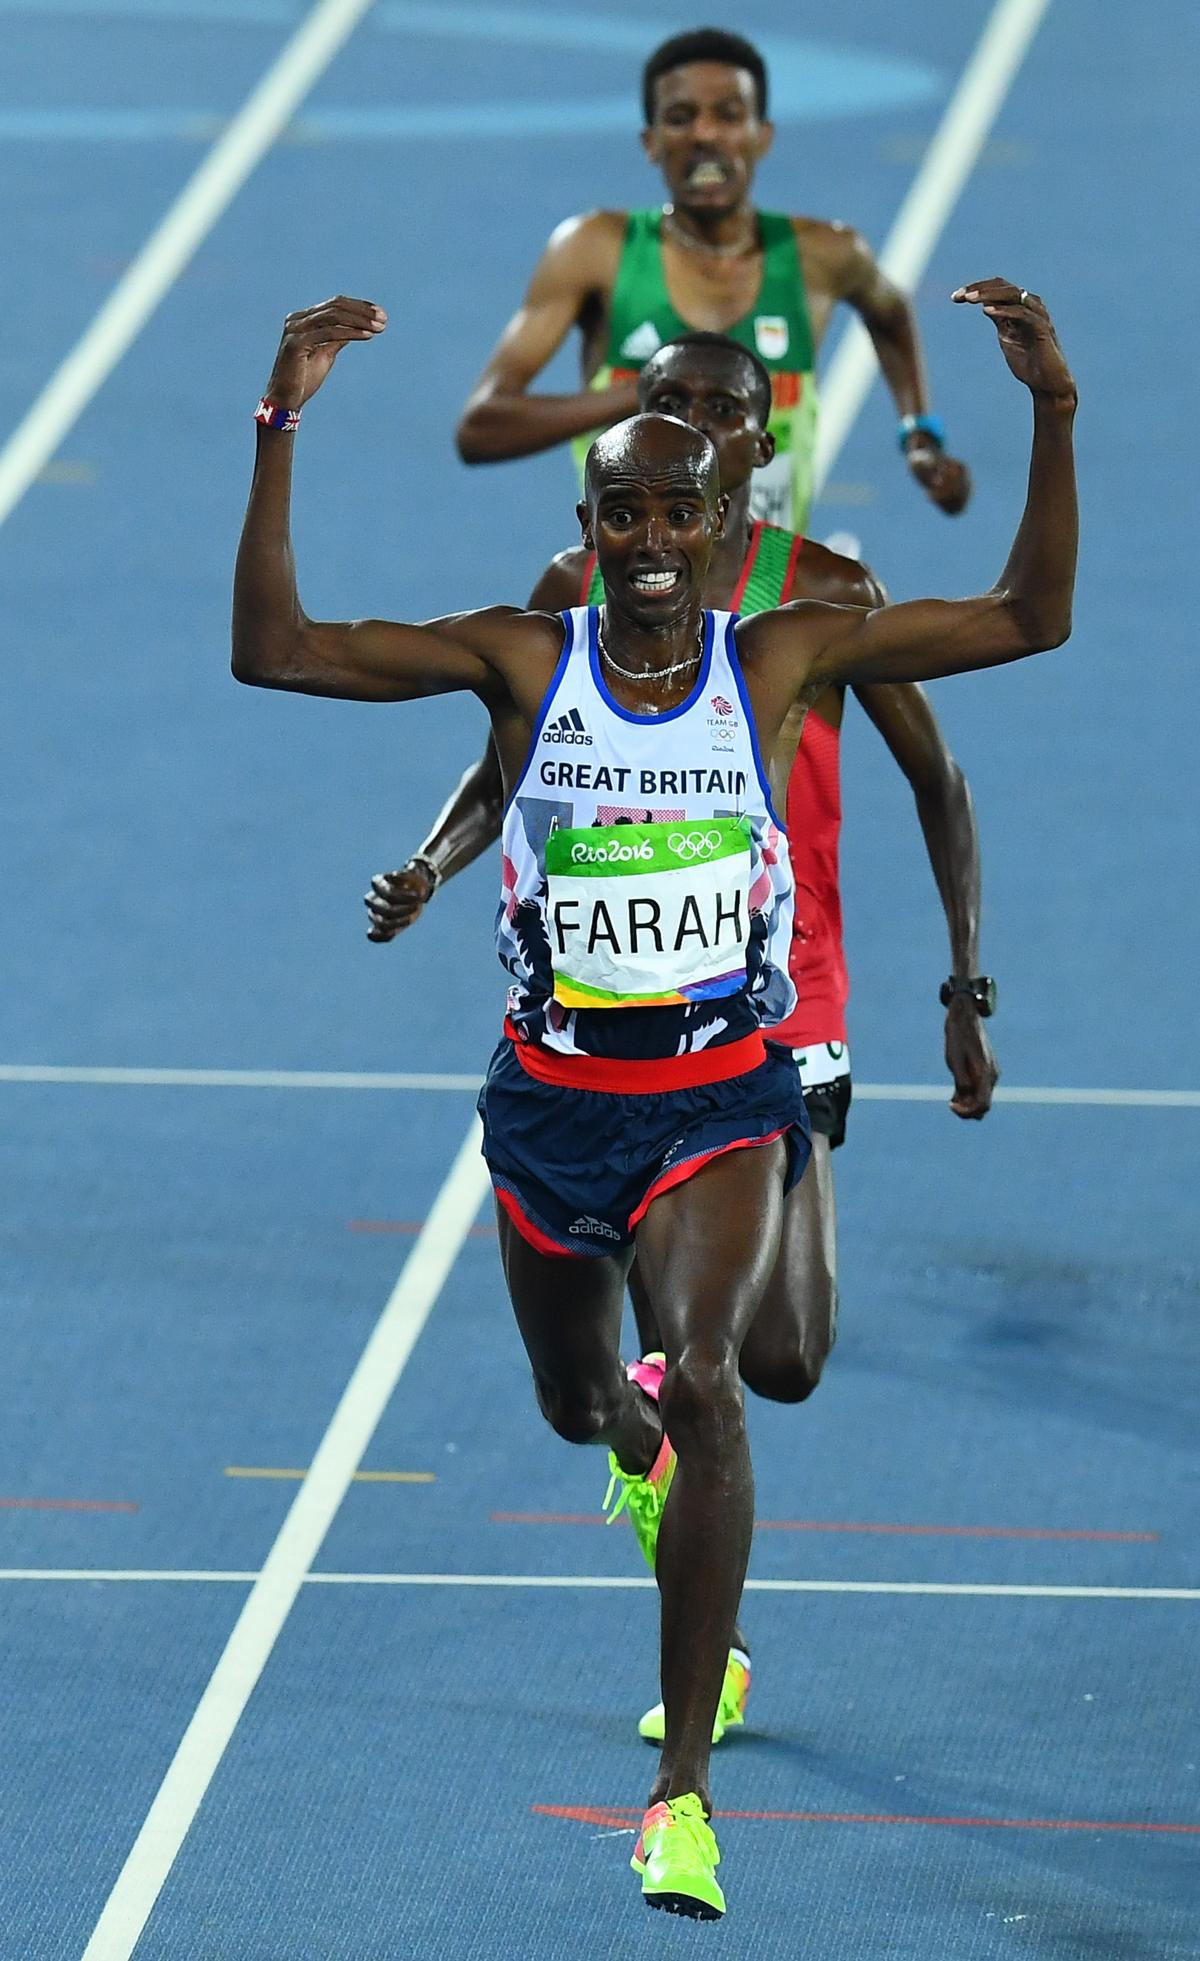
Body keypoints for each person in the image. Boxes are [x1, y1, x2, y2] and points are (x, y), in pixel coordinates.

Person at [231, 278, 1076, 1920]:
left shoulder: (784, 653)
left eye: (671, 509)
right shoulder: (517, 654)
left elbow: (1025, 620)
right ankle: (622, 1446)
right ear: (590, 521)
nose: (644, 535)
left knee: (712, 1373)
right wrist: (278, 427)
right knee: (583, 1402)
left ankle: (681, 1792)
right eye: (616, 509)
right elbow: (277, 651)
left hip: (720, 1090)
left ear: (720, 515)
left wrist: (1051, 412)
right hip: (553, 1102)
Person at [366, 329, 999, 1747]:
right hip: (624, 1039)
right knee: (693, 1363)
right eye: (668, 406)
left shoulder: (821, 602)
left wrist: (965, 985)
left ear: (757, 448)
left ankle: (658, 1430)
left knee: (783, 1360)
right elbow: (503, 772)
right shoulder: (571, 596)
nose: (695, 427)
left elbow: (938, 781)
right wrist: (434, 862)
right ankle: (709, 1641)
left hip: (793, 996)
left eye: (721, 410)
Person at [455, 25, 971, 531]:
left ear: (761, 136)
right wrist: (646, 395)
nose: (704, 134)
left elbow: (890, 315)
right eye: (681, 118)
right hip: (632, 596)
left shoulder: (824, 256)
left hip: (768, 592)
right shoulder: (595, 252)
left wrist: (919, 435)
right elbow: (481, 428)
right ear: (651, 142)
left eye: (728, 115)